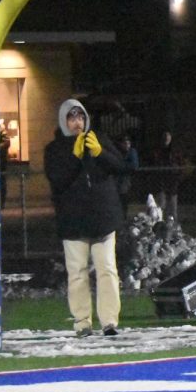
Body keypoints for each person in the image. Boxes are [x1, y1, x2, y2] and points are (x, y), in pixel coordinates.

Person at [43, 99, 128, 337]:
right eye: (71, 118)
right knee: (77, 272)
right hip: (73, 221)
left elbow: (121, 166)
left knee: (107, 270)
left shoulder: (98, 138)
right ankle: (82, 322)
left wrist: (100, 153)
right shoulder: (54, 148)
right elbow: (57, 179)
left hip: (103, 218)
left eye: (80, 117)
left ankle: (109, 322)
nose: (77, 123)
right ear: (63, 121)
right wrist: (74, 156)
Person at [150, 129, 184, 220]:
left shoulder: (175, 151)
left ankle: (173, 229)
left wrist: (178, 176)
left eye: (168, 137)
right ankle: (160, 228)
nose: (166, 139)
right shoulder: (157, 151)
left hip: (172, 182)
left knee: (173, 209)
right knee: (161, 207)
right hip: (161, 182)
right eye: (165, 137)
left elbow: (181, 164)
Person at [115, 133, 140, 213]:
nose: (126, 145)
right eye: (124, 143)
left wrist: (122, 165)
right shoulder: (118, 152)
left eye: (128, 143)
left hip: (125, 181)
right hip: (117, 181)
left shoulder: (132, 152)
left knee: (124, 201)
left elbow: (134, 165)